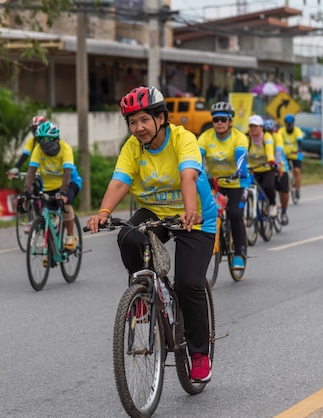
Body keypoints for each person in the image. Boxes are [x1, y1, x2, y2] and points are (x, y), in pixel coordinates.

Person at [86, 86, 216, 382]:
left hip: (194, 217)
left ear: (161, 118)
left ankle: (198, 353)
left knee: (188, 284)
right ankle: (144, 291)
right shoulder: (133, 147)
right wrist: (103, 213)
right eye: (132, 122)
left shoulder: (184, 139)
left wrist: (190, 210)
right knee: (128, 235)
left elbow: (188, 176)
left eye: (144, 119)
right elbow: (120, 181)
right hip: (155, 212)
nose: (138, 128)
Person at [198, 101, 249, 270]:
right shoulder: (205, 137)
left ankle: (239, 253)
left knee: (234, 214)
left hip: (237, 182)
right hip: (216, 183)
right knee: (207, 214)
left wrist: (240, 169)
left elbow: (241, 156)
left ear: (230, 121)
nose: (218, 123)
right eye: (215, 120)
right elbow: (197, 158)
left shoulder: (239, 137)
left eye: (222, 119)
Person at [19, 121, 83, 251]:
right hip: (49, 186)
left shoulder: (66, 149)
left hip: (70, 182)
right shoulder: (38, 150)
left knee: (65, 204)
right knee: (45, 215)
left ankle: (70, 235)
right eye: (41, 140)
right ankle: (51, 250)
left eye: (47, 140)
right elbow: (31, 171)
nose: (44, 144)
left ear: (56, 140)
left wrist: (64, 192)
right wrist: (26, 191)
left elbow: (67, 173)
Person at [246, 115, 278, 217]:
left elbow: (269, 148)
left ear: (261, 127)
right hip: (253, 170)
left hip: (267, 168)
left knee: (268, 186)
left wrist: (271, 160)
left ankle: (272, 204)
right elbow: (242, 152)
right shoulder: (247, 139)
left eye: (256, 126)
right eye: (251, 126)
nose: (253, 129)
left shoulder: (267, 137)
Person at [264, 119, 290, 225]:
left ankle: (284, 212)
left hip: (280, 166)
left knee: (283, 189)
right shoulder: (260, 137)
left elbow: (278, 153)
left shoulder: (277, 137)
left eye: (270, 131)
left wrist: (278, 166)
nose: (268, 133)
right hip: (265, 166)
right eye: (266, 131)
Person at [277, 113, 304, 199]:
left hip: (296, 154)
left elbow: (299, 141)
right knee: (285, 171)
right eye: (287, 124)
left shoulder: (297, 130)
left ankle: (297, 189)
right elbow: (278, 141)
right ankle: (287, 184)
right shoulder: (281, 131)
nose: (289, 126)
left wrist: (299, 149)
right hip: (284, 154)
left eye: (290, 124)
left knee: (296, 170)